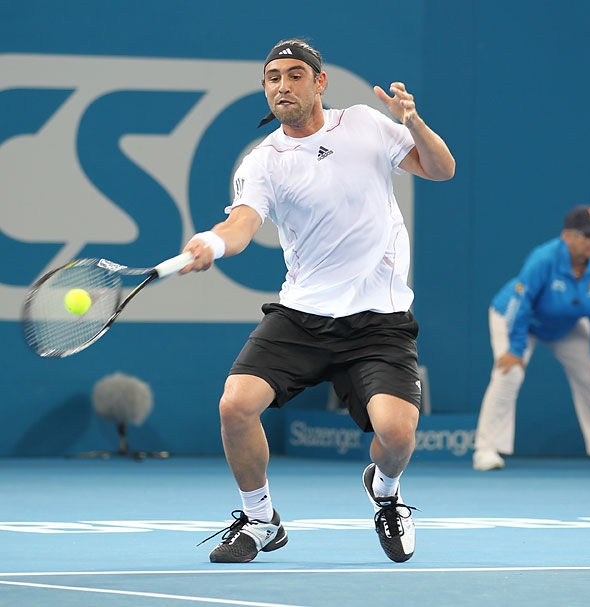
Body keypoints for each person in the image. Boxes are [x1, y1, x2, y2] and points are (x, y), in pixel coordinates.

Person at [181, 38, 455, 563]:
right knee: (235, 406)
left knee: (397, 435)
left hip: (379, 321)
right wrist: (212, 242)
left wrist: (413, 122)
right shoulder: (263, 162)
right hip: (302, 317)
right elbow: (242, 224)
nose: (282, 86)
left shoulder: (366, 125)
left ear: (319, 82)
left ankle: (385, 491)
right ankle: (260, 519)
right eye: (273, 78)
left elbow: (442, 169)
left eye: (294, 75)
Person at [473, 205, 590, 471]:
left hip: (565, 324)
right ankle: (486, 449)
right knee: (509, 373)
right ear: (567, 236)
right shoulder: (544, 258)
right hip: (516, 318)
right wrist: (515, 348)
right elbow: (521, 303)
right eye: (588, 235)